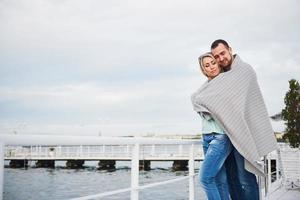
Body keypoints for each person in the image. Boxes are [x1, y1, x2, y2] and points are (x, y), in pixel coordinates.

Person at [191, 40, 278, 200]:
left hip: (241, 133)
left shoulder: (244, 71)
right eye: (216, 57)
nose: (220, 59)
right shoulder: (220, 78)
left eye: (222, 53)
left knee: (245, 177)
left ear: (230, 50)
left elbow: (247, 105)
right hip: (227, 134)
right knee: (231, 178)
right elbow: (206, 100)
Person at [196, 52, 232, 200]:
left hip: (221, 137)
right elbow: (198, 104)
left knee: (205, 179)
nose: (211, 67)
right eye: (207, 65)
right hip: (206, 137)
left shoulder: (225, 83)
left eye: (213, 63)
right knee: (220, 181)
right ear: (203, 70)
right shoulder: (203, 89)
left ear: (218, 63)